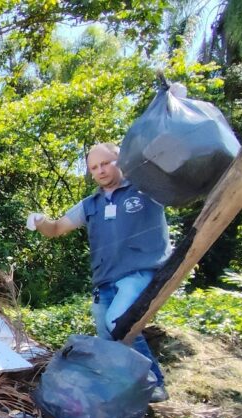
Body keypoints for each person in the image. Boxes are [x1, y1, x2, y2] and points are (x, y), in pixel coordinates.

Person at [27, 142, 170, 402]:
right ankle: (128, 394)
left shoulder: (146, 189)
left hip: (138, 273)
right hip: (104, 281)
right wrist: (40, 222)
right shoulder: (91, 204)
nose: (101, 171)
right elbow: (57, 229)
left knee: (118, 323)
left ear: (121, 160)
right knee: (109, 340)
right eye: (94, 167)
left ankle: (154, 383)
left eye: (106, 163)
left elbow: (180, 184)